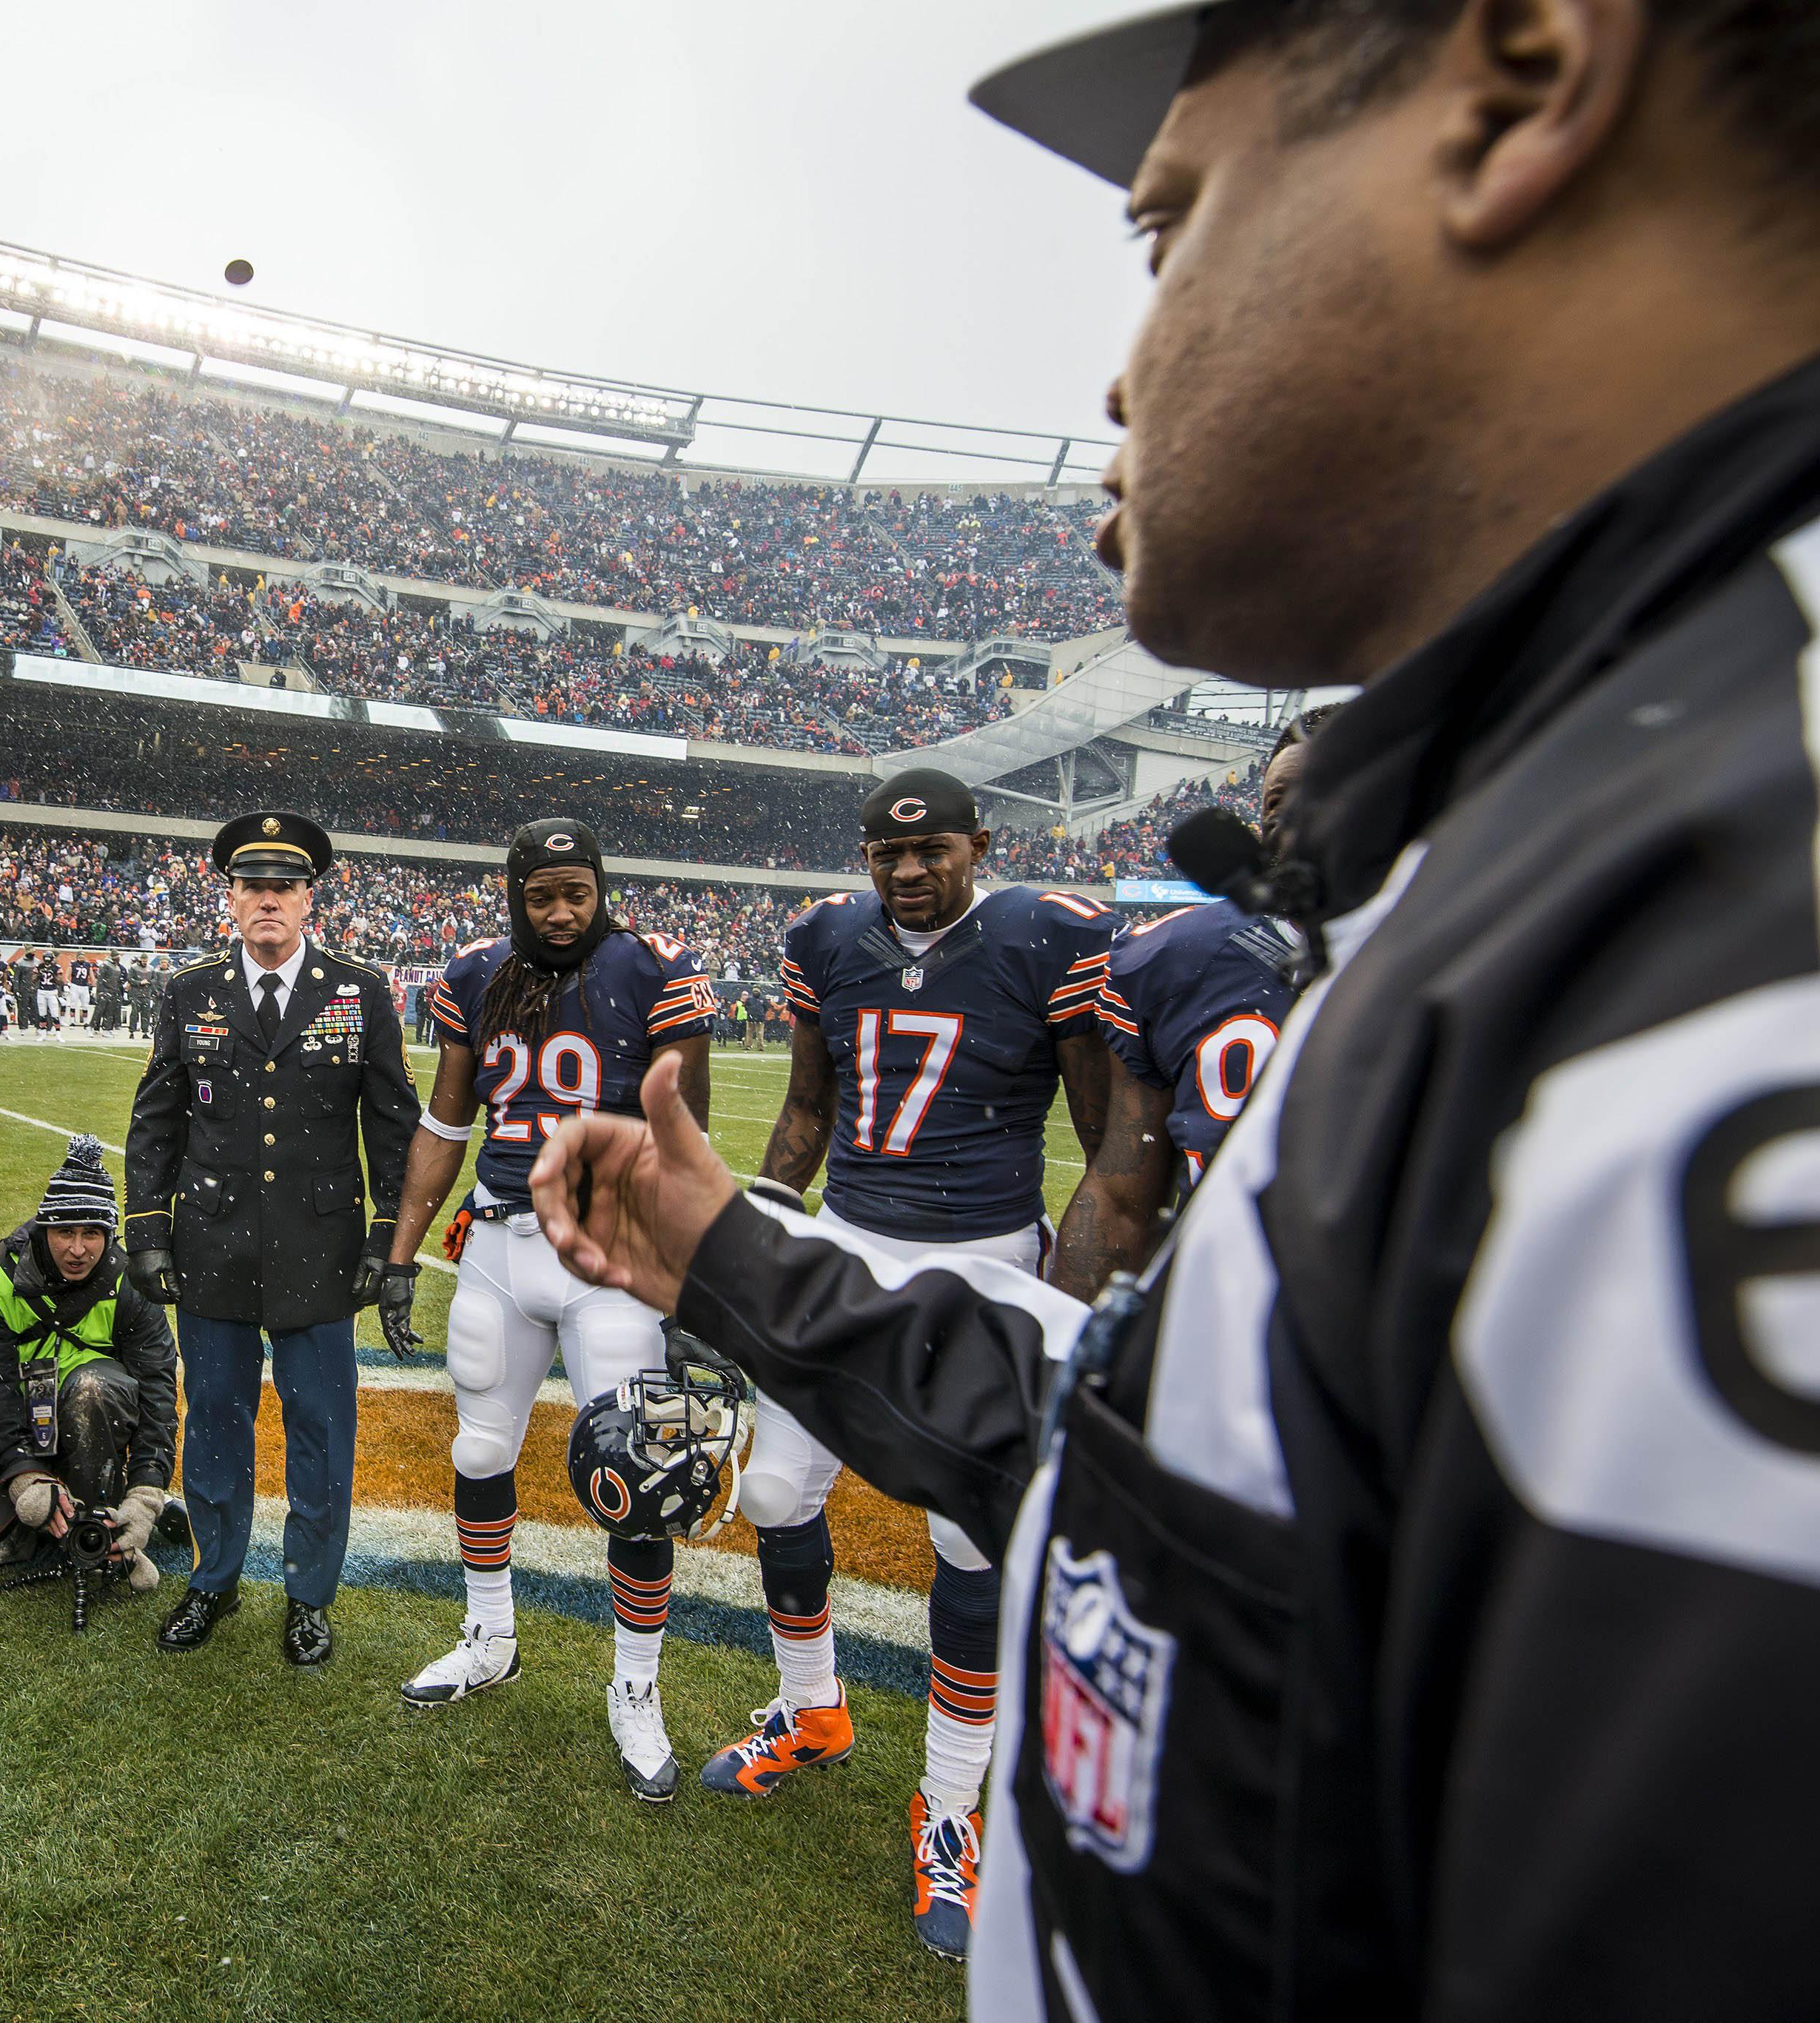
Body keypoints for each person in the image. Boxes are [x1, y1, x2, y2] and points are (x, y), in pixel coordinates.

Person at [534, 3, 1820, 2013]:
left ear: (1517, 80)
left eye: (1164, 230)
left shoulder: (1729, 905)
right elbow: (1198, 1480)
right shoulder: (1555, 831)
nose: (1120, 369)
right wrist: (730, 1253)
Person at [735, 767, 1115, 1959]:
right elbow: (804, 1110)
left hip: (983, 1262)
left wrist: (1057, 1312)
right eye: (885, 854)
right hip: (845, 1247)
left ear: (975, 846)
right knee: (771, 1490)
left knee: (966, 1541)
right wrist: (754, 1239)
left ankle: (947, 1809)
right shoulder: (825, 939)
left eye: (930, 852)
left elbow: (1105, 1150)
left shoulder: (1046, 939)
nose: (906, 872)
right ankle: (812, 1713)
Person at [378, 819, 716, 1800]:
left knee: (639, 1476)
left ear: (599, 887)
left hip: (612, 1250)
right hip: (494, 1242)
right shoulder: (476, 972)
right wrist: (397, 1253)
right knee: (479, 1451)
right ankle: (487, 1635)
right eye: (541, 895)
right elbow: (446, 1120)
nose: (561, 910)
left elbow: (683, 1139)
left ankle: (635, 1687)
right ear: (512, 894)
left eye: (577, 891)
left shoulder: (652, 967)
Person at [125, 811, 420, 1665]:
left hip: (321, 1250)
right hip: (212, 1246)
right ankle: (214, 1581)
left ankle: (308, 1596)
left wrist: (384, 1244)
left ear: (308, 899)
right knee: (214, 1420)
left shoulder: (358, 990)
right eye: (252, 886)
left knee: (320, 1427)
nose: (267, 901)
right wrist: (147, 1230)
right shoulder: (190, 991)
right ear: (231, 898)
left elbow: (393, 1126)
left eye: (283, 887)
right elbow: (156, 1121)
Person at [1050, 709, 1333, 1297]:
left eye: (1327, 795)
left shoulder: (1477, 936)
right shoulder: (1176, 956)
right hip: (1216, 1294)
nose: (1290, 823)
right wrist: (1068, 1338)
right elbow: (1123, 1192)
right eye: (1274, 805)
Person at [0, 1136, 178, 1588]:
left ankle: (104, 1515)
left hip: (96, 1424)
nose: (77, 1250)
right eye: (64, 1232)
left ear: (109, 1236)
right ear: (42, 1229)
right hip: (25, 1426)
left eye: (92, 1234)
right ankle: (51, 1499)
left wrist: (147, 1490)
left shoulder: (131, 1282)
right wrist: (23, 1476)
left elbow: (158, 1392)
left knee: (93, 1388)